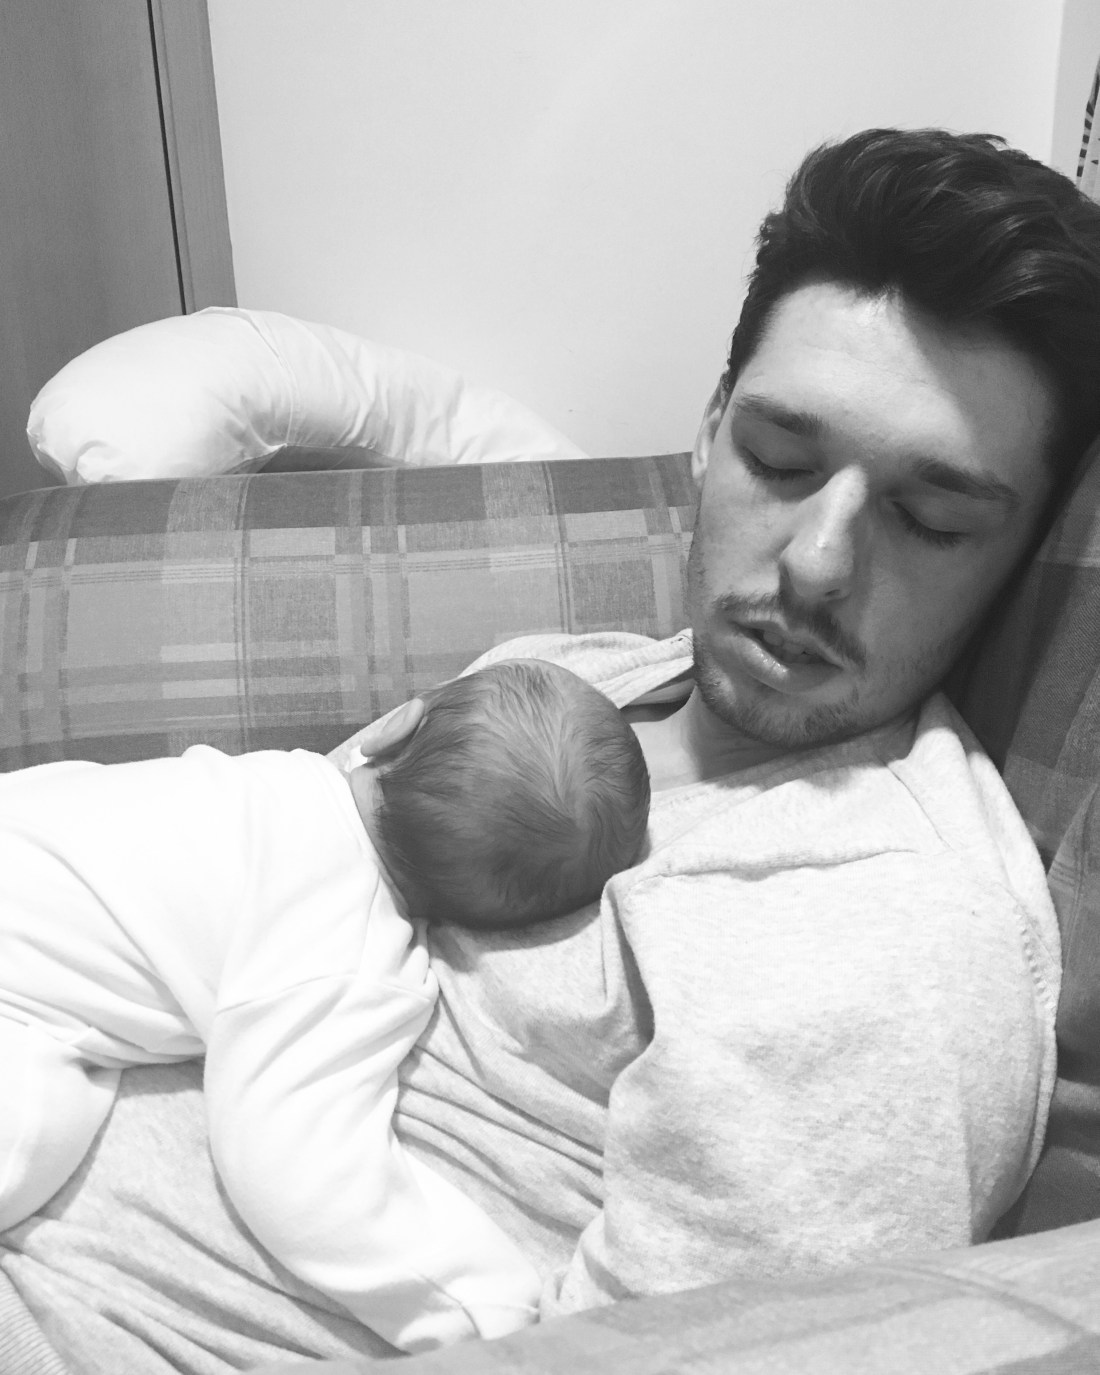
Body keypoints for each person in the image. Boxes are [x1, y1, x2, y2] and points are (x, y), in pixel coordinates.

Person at [3, 126, 1100, 1375]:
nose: (815, 562)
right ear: (706, 433)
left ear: (1018, 554)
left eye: (930, 517)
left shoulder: (879, 944)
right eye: (780, 460)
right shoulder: (579, 669)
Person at [0, 659, 649, 1353]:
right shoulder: (344, 947)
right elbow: (297, 1170)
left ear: (393, 726)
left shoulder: (266, 778)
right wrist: (485, 1302)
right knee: (34, 1136)